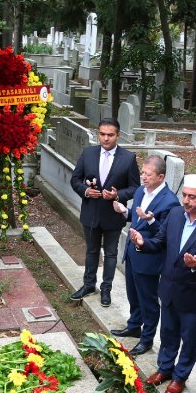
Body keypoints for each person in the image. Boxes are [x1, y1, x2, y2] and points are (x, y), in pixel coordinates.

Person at [129, 174, 196, 393]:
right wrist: (143, 243)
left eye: (192, 197)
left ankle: (180, 376)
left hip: (194, 295)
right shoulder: (175, 214)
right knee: (167, 332)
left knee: (189, 338)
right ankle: (165, 368)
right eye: (184, 195)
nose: (186, 201)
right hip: (170, 288)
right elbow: (161, 242)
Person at [109, 155, 180, 355]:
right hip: (133, 253)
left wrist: (150, 221)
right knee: (132, 293)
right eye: (142, 173)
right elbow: (137, 217)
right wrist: (124, 211)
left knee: (148, 300)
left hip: (150, 258)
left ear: (161, 176)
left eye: (148, 175)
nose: (144, 178)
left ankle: (146, 338)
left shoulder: (170, 202)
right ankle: (133, 326)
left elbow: (165, 235)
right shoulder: (140, 191)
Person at [69, 118, 140, 307]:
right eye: (102, 134)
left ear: (118, 135)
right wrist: (85, 191)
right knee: (91, 251)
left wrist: (117, 195)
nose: (105, 138)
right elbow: (75, 179)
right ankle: (88, 285)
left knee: (110, 254)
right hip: (90, 213)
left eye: (110, 135)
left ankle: (106, 289)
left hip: (113, 215)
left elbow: (135, 187)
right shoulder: (88, 153)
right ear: (97, 133)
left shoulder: (128, 158)